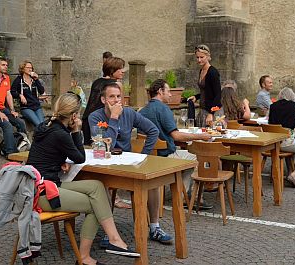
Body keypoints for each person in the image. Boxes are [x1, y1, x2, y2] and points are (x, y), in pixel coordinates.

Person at [26, 93, 140, 265]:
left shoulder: (45, 126)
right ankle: (85, 258)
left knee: (96, 186)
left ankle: (113, 238)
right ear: (73, 115)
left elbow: (48, 155)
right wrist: (77, 130)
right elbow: (80, 157)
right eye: (77, 114)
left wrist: (61, 161)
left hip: (38, 186)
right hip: (41, 194)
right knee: (95, 206)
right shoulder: (61, 133)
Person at [88, 82, 174, 245]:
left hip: (126, 161)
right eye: (111, 97)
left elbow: (153, 131)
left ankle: (154, 227)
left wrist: (143, 155)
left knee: (152, 182)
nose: (116, 100)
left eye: (118, 96)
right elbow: (106, 145)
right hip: (104, 161)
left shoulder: (129, 113)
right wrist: (113, 117)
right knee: (100, 184)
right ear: (103, 100)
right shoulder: (95, 117)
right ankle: (109, 231)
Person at [139, 79, 213, 209]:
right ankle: (190, 198)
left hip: (148, 157)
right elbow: (176, 135)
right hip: (165, 156)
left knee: (187, 155)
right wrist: (201, 136)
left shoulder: (142, 111)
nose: (171, 94)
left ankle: (181, 193)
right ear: (160, 91)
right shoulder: (163, 109)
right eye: (168, 91)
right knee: (199, 157)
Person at [0, 57, 27, 157]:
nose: (6, 67)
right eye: (3, 65)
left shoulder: (6, 78)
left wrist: (12, 110)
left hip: (1, 107)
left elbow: (8, 95)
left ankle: (20, 145)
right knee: (7, 125)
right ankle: (10, 153)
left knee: (20, 123)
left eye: (6, 65)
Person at [82, 56, 126, 145]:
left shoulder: (96, 81)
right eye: (119, 69)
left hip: (88, 119)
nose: (122, 71)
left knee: (92, 147)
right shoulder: (116, 84)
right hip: (104, 119)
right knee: (105, 146)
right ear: (111, 70)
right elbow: (120, 107)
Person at [189, 44, 222, 127]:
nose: (199, 60)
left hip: (213, 111)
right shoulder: (201, 70)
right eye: (197, 57)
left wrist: (211, 113)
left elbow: (218, 95)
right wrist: (196, 97)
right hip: (203, 110)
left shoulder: (213, 72)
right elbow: (207, 91)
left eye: (202, 57)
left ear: (207, 56)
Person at [11, 60, 45, 127]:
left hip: (37, 106)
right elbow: (12, 91)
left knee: (43, 125)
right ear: (23, 69)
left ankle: (37, 137)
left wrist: (36, 79)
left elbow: (41, 91)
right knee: (38, 124)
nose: (30, 69)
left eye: (31, 68)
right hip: (26, 107)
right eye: (28, 67)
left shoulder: (34, 80)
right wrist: (20, 95)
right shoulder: (19, 79)